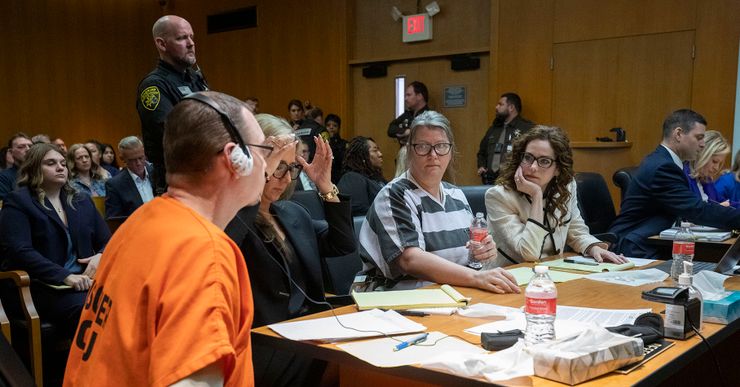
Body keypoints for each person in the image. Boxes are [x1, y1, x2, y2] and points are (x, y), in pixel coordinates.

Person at [64, 91, 291, 386]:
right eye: (263, 151)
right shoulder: (203, 253)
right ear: (235, 159)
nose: (267, 165)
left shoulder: (140, 223)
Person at [225, 114, 355, 386]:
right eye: (276, 167)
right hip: (269, 345)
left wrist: (326, 187)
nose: (285, 178)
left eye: (291, 167)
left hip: (310, 335)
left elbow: (342, 244)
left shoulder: (293, 212)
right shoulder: (232, 219)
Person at [359, 110, 519, 293]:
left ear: (450, 152)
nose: (433, 154)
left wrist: (481, 252)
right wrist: (476, 277)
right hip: (395, 300)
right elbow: (410, 260)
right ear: (409, 151)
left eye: (441, 146)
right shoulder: (394, 195)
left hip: (451, 294)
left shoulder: (455, 194)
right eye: (423, 146)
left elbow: (467, 257)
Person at [0, 143, 110, 338]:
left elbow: (108, 241)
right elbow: (20, 250)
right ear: (34, 168)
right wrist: (64, 276)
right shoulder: (18, 201)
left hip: (84, 282)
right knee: (94, 308)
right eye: (51, 163)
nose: (60, 167)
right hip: (38, 286)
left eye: (62, 163)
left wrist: (100, 256)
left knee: (127, 300)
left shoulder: (81, 200)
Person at [483, 126, 626, 267]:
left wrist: (593, 248)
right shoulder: (499, 196)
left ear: (558, 168)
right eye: (528, 157)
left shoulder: (566, 187)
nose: (533, 167)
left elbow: (575, 231)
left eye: (544, 161)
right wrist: (536, 196)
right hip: (508, 277)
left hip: (552, 273)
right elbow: (529, 253)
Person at [609, 109, 740, 258]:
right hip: (636, 247)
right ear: (678, 134)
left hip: (654, 242)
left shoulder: (666, 161)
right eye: (699, 137)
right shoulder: (663, 167)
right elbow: (696, 210)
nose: (703, 144)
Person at [137, 15, 208, 196]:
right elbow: (173, 134)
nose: (191, 43)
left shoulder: (195, 78)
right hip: (176, 182)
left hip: (204, 174)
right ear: (162, 44)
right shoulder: (153, 86)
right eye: (182, 38)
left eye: (191, 37)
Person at [477, 92, 535, 184]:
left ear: (511, 107)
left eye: (501, 104)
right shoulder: (493, 129)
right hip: (490, 180)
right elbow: (482, 152)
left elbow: (533, 154)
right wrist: (481, 166)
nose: (496, 107)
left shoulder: (527, 128)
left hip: (513, 181)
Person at [104, 136, 153, 218]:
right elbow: (115, 220)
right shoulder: (115, 185)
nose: (138, 163)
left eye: (141, 158)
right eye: (132, 160)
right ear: (122, 159)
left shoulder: (157, 174)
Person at [683, 130, 735, 207]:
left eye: (720, 164)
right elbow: (690, 213)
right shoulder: (683, 176)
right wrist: (717, 209)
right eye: (714, 161)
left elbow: (724, 202)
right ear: (702, 155)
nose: (717, 168)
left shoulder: (707, 180)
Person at [337, 136, 386, 216]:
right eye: (375, 150)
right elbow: (358, 210)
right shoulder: (352, 178)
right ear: (362, 155)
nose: (380, 154)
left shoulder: (376, 177)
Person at [387, 81, 429, 147]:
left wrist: (409, 133)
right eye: (405, 96)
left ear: (419, 96)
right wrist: (406, 131)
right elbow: (391, 129)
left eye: (409, 95)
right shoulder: (407, 114)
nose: (405, 99)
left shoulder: (430, 116)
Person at [0, 133, 33, 201]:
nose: (28, 149)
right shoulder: (4, 177)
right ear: (11, 152)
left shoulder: (43, 172)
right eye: (21, 147)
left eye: (30, 146)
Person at [326, 113, 348, 183]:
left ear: (339, 128)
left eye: (335, 125)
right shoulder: (321, 143)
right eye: (328, 125)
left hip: (340, 177)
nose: (331, 127)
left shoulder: (344, 144)